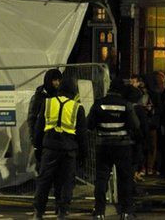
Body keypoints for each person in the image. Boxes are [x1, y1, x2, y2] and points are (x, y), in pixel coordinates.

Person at [33, 76, 86, 220]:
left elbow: (39, 127)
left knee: (44, 180)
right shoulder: (77, 107)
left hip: (49, 147)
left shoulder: (48, 103)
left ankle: (39, 211)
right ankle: (63, 211)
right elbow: (82, 135)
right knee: (66, 182)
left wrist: (37, 147)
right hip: (69, 149)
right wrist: (82, 155)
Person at [88, 78, 141, 220]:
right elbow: (135, 125)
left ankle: (99, 212)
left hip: (103, 145)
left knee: (101, 179)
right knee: (125, 179)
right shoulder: (126, 105)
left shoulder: (98, 104)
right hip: (122, 146)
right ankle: (126, 211)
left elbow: (89, 124)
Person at [30, 69, 64, 167]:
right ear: (49, 80)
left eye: (59, 80)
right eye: (54, 80)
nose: (57, 83)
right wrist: (34, 138)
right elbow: (32, 118)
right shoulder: (39, 96)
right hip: (43, 138)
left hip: (58, 139)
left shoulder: (61, 94)